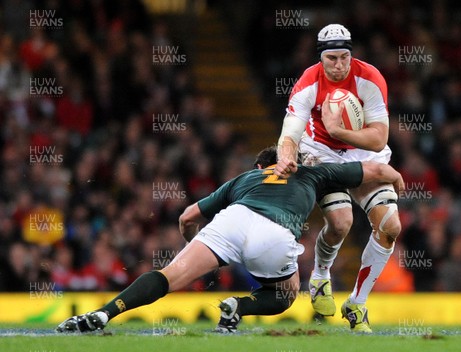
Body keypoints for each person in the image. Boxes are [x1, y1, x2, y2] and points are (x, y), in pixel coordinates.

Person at [56, 146, 404, 333]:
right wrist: (398, 180)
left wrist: (197, 250)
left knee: (168, 276)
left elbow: (186, 216)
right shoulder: (314, 172)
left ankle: (103, 315)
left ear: (260, 166)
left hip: (231, 221)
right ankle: (240, 306)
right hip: (276, 231)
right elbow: (375, 170)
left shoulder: (242, 179)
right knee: (285, 296)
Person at [277, 24, 401, 332]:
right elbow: (290, 132)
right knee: (341, 223)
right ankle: (321, 275)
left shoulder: (369, 78)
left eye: (344, 57)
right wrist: (285, 156)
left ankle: (357, 304)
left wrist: (339, 131)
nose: (339, 65)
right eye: (332, 58)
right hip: (321, 153)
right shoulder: (308, 82)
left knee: (390, 227)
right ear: (321, 57)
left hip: (362, 151)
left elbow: (378, 139)